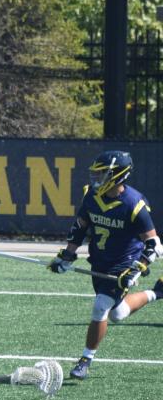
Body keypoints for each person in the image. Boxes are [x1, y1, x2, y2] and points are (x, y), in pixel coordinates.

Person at [48, 150, 163, 380]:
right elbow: (80, 226)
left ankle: (85, 360)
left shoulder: (134, 204)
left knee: (101, 306)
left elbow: (154, 244)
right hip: (100, 260)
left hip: (124, 262)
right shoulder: (91, 195)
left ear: (118, 175)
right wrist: (67, 255)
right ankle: (157, 292)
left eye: (102, 173)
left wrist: (136, 269)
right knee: (117, 313)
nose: (97, 177)